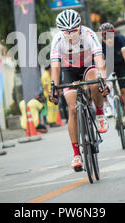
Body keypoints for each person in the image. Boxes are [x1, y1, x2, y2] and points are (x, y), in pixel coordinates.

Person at [49, 9, 109, 172]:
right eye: (66, 31)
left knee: (94, 83)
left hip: (88, 67)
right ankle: (76, 154)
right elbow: (55, 66)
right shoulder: (57, 39)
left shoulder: (89, 34)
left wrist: (103, 79)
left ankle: (100, 112)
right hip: (69, 71)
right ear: (61, 31)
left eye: (74, 30)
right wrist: (54, 87)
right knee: (72, 108)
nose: (70, 34)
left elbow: (99, 59)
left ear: (80, 27)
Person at [98, 23, 125, 140]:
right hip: (107, 66)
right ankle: (107, 104)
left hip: (121, 66)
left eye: (110, 37)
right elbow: (100, 64)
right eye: (105, 38)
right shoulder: (99, 45)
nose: (108, 40)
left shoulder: (120, 39)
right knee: (100, 82)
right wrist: (103, 78)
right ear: (102, 37)